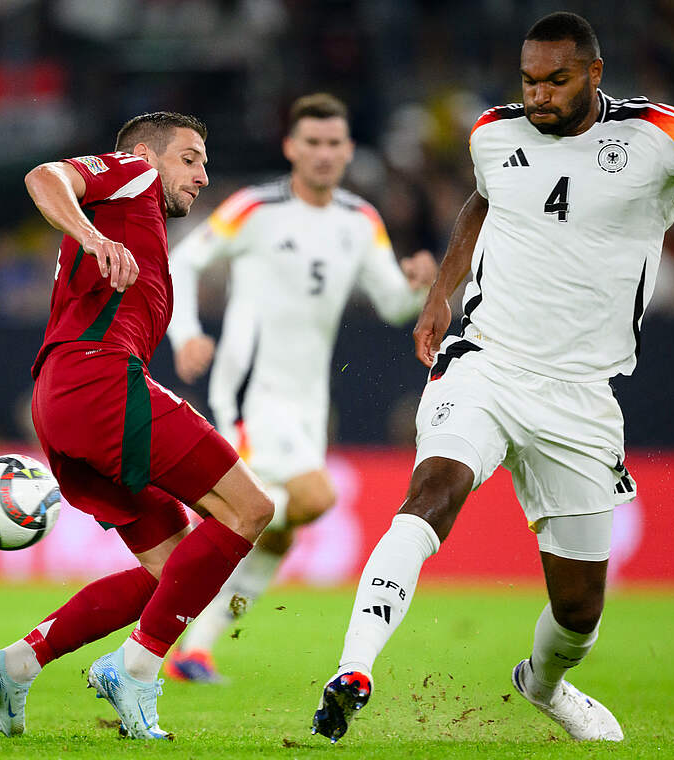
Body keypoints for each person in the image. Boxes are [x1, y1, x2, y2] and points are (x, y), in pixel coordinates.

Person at [311, 11, 674, 744]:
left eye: (556, 81)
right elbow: (484, 198)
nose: (538, 95)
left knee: (577, 614)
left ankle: (543, 683)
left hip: (580, 396)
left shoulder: (661, 136)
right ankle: (354, 669)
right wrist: (442, 291)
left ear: (595, 75)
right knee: (433, 490)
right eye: (529, 80)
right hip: (487, 360)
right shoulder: (492, 132)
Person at [0, 112, 274, 741]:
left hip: (59, 402)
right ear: (145, 154)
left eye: (205, 162)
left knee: (173, 570)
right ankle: (136, 668)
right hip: (97, 382)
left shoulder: (140, 225)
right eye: (189, 159)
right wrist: (90, 235)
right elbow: (44, 177)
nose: (202, 176)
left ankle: (16, 665)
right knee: (248, 510)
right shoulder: (129, 176)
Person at [162, 93, 437, 683]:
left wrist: (417, 286)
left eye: (333, 143)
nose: (322, 153)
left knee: (279, 528)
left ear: (348, 150)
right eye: (311, 142)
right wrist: (184, 333)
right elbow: (183, 261)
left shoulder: (359, 220)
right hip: (252, 392)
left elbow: (393, 303)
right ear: (291, 147)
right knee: (310, 501)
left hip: (309, 403)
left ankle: (195, 645)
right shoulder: (254, 208)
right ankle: (179, 583)